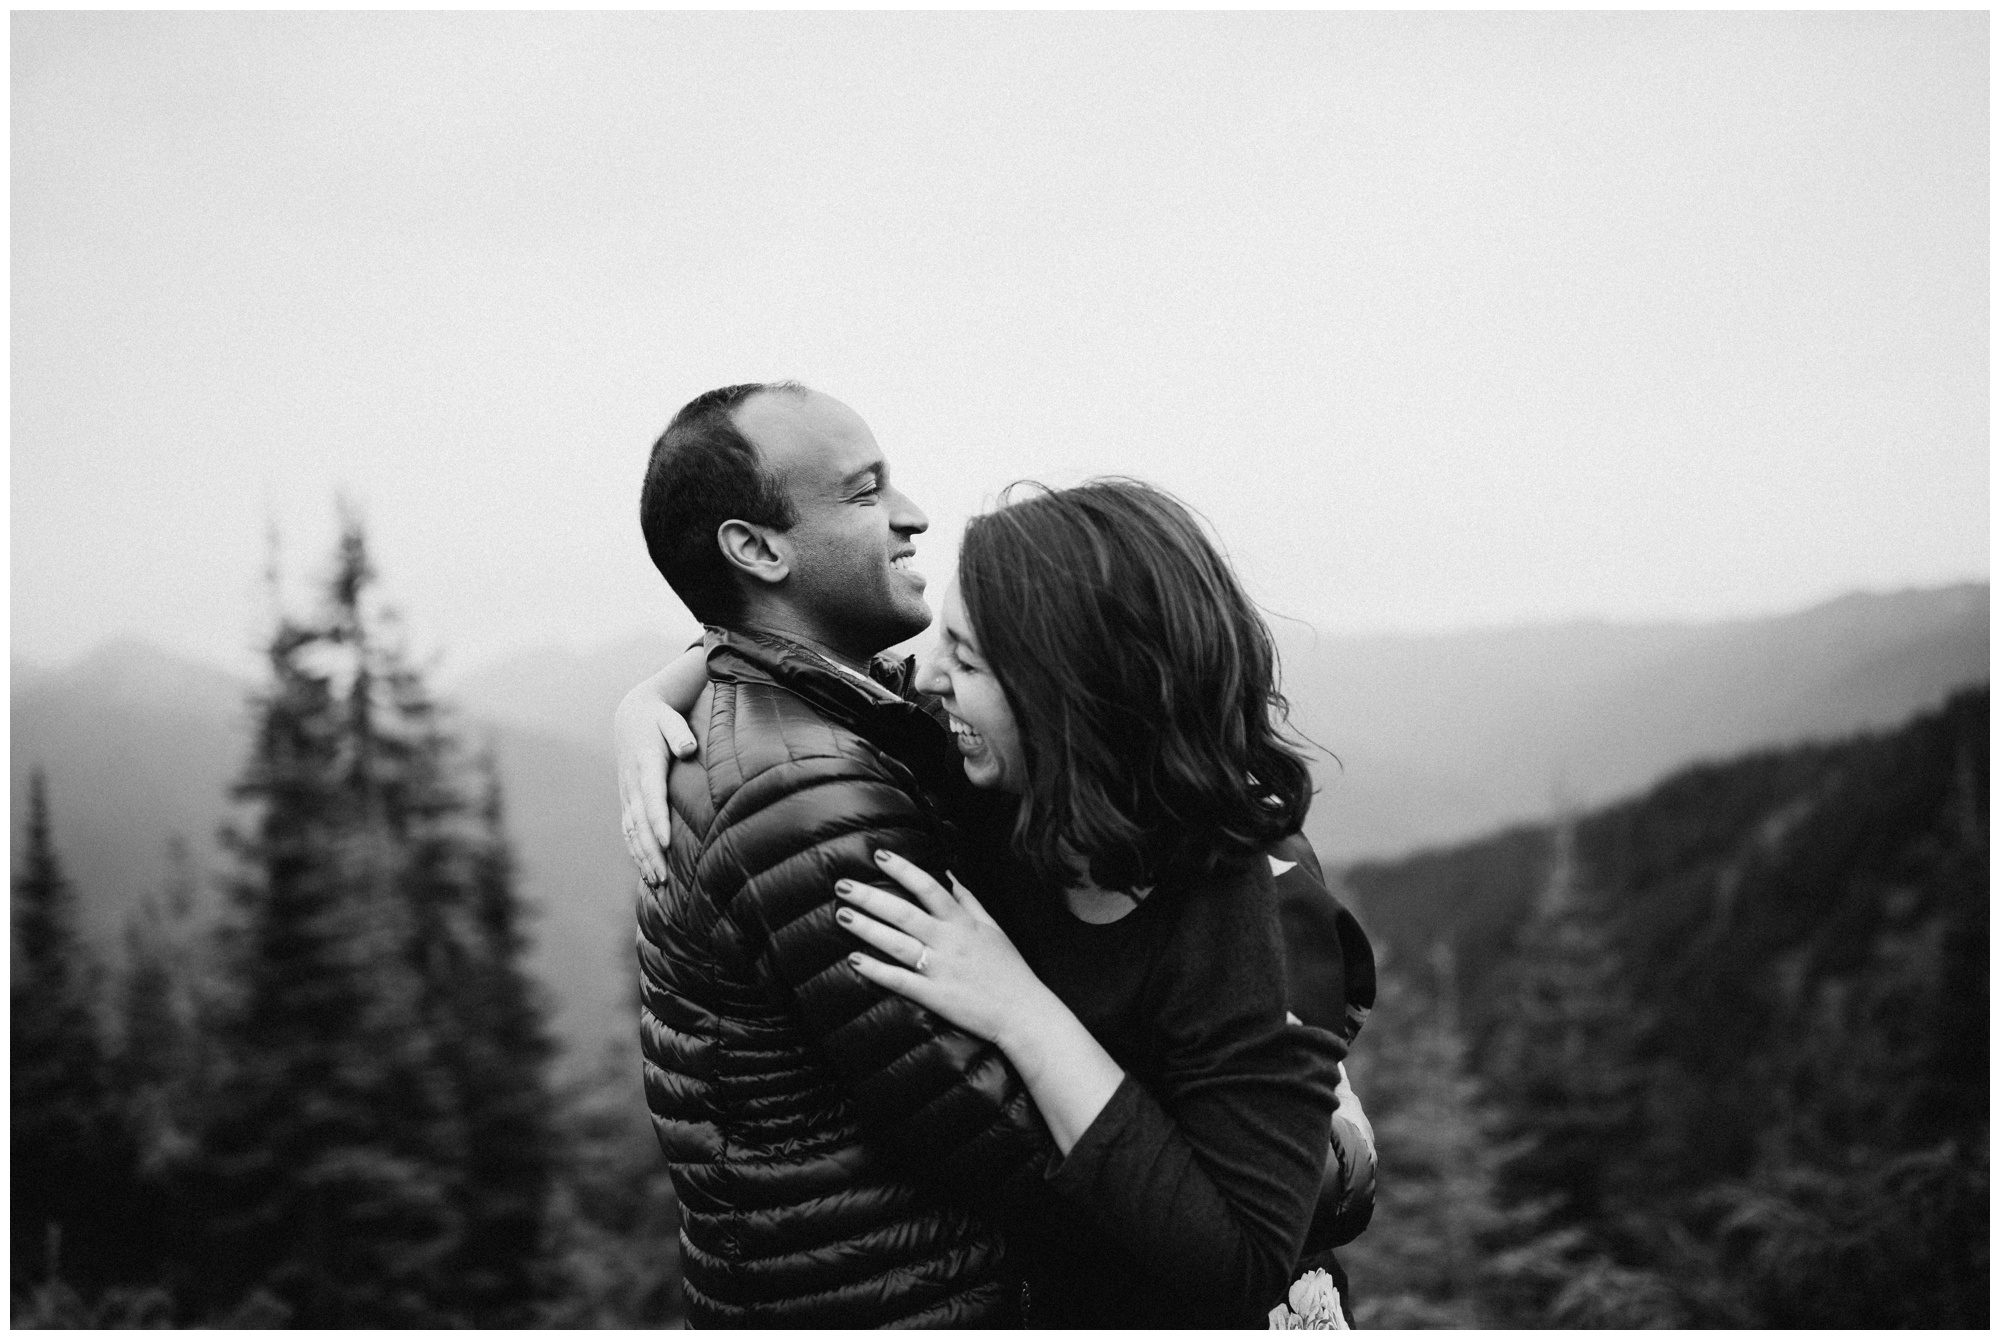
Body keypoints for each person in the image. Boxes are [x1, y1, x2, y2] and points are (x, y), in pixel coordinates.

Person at [624, 389, 1374, 1326]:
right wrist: (659, 689)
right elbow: (802, 672)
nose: (928, 675)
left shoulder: (1246, 903)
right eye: (945, 638)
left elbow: (1236, 1263)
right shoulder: (983, 783)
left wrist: (1022, 1010)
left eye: (967, 659)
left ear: (1069, 704)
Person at [630, 381, 1050, 1326]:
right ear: (756, 549)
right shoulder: (804, 790)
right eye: (865, 493)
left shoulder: (813, 721)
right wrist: (1279, 1169)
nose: (913, 516)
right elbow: (994, 1130)